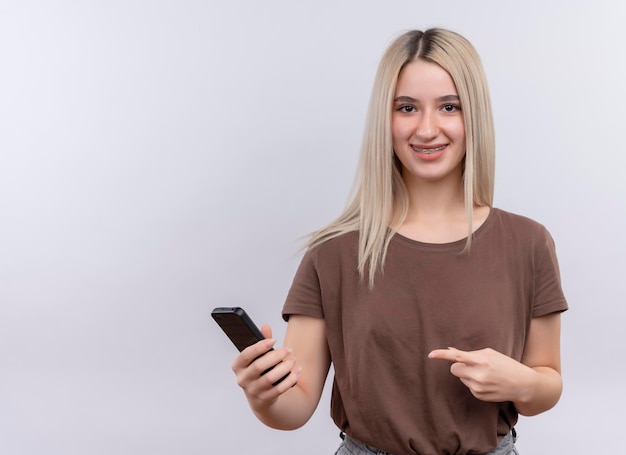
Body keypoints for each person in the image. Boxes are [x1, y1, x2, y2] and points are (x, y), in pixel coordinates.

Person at [231, 28, 567, 455]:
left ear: (474, 116)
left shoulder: (528, 243)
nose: (427, 129)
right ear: (384, 120)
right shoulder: (332, 254)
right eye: (406, 107)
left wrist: (521, 381)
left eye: (449, 106)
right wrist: (263, 395)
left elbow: (548, 383)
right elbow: (294, 409)